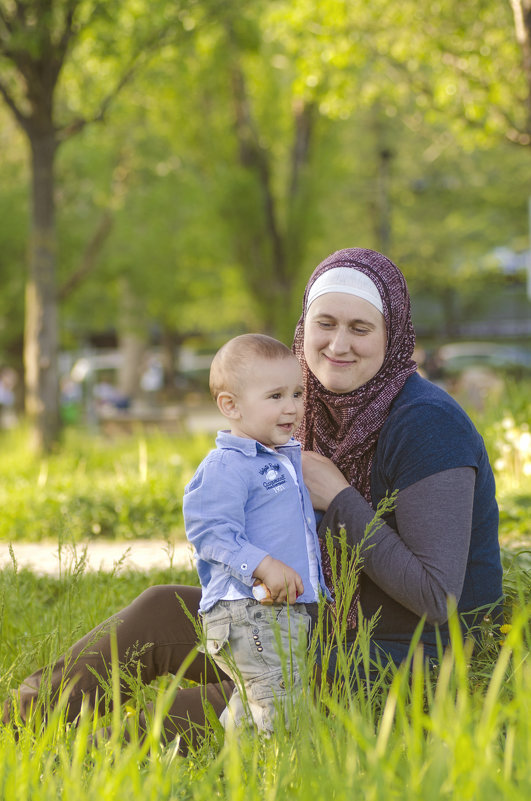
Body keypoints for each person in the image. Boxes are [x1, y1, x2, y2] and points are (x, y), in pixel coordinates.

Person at [3, 247, 503, 752]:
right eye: (324, 323)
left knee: (197, 711)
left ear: (392, 334)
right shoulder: (302, 404)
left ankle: (80, 757)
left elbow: (438, 598)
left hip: (404, 657)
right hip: (306, 623)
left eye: (361, 328)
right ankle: (17, 720)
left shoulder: (427, 424)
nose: (338, 344)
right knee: (160, 609)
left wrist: (341, 498)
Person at [183, 334, 329, 732]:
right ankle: (278, 778)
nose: (292, 407)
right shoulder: (227, 465)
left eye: (297, 394)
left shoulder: (278, 458)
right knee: (279, 704)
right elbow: (208, 531)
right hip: (249, 610)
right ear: (230, 405)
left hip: (275, 611)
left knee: (256, 703)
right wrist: (262, 563)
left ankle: (237, 773)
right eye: (275, 396)